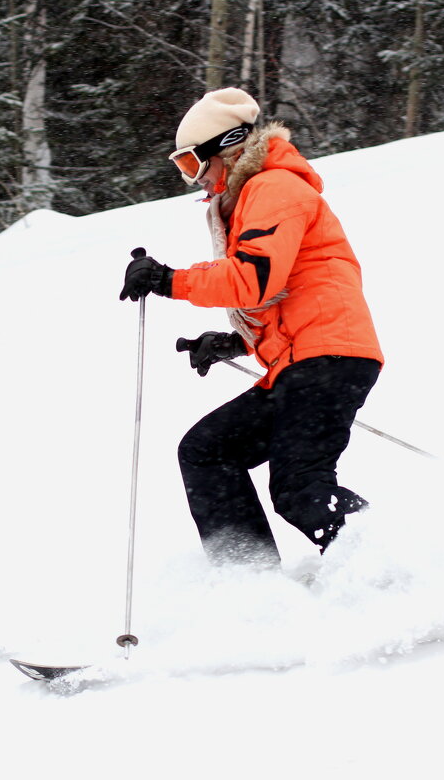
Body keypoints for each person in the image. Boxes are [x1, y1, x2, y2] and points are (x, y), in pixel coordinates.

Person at [119, 87, 384, 567]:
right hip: (305, 359)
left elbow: (254, 278)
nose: (193, 179)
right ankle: (250, 588)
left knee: (300, 486)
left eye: (191, 164)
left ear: (229, 145)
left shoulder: (274, 187)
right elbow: (294, 291)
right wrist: (237, 341)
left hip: (328, 359)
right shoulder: (254, 196)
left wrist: (168, 280)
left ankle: (398, 564)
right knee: (206, 450)